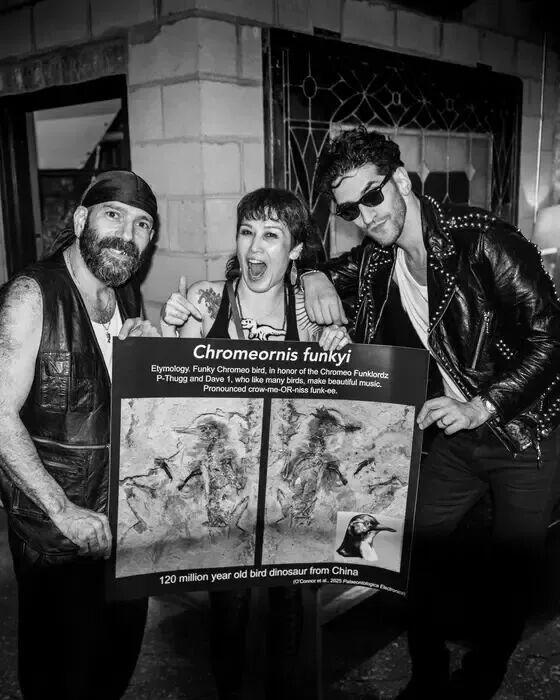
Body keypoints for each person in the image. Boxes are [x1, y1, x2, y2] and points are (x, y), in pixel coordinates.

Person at [301, 128, 560, 699]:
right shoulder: (377, 260)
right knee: (408, 550)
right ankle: (428, 673)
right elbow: (284, 270)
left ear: (401, 180)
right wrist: (311, 272)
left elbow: (552, 339)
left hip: (524, 432)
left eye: (373, 197)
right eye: (350, 210)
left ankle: (483, 676)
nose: (366, 217)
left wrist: (482, 404)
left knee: (513, 575)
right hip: (456, 438)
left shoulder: (483, 241)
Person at [161, 187, 349, 700]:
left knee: (288, 608)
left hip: (286, 492)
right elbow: (177, 395)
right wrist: (172, 332)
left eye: (271, 235)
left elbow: (338, 398)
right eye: (247, 232)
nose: (254, 247)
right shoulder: (207, 299)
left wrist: (339, 348)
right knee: (229, 606)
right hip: (228, 487)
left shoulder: (308, 313)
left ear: (294, 250)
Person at [0, 170, 160, 700]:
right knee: (61, 675)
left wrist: (143, 357)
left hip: (122, 526)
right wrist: (61, 510)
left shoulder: (127, 296)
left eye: (142, 224)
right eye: (114, 215)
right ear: (80, 220)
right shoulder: (32, 294)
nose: (126, 235)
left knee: (116, 661)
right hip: (56, 537)